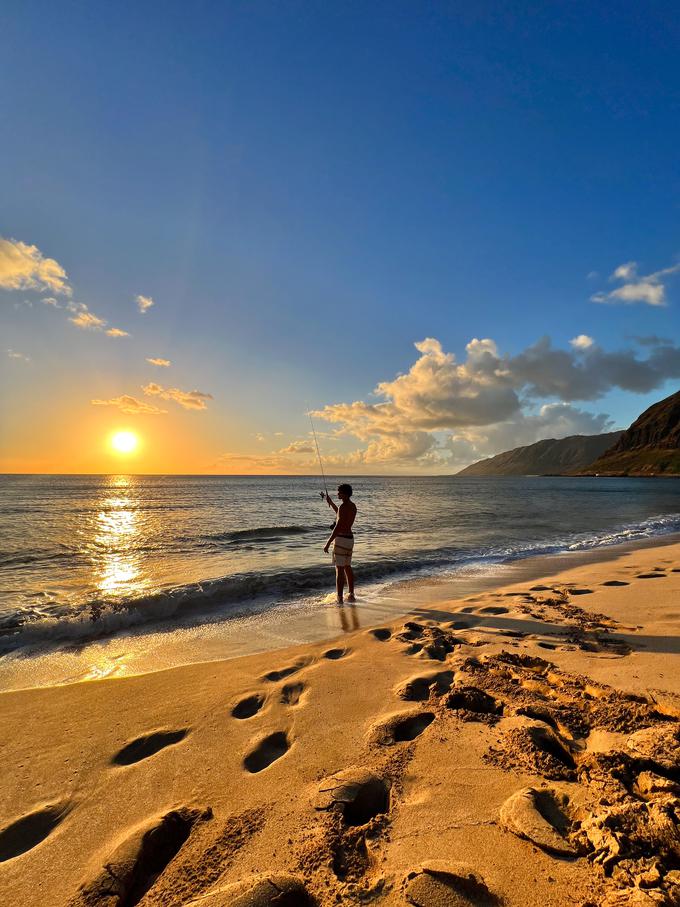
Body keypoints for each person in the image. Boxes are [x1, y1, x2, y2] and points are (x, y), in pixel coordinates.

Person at [323, 483, 357, 603]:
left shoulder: (343, 507)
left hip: (341, 540)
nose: (338, 494)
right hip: (350, 540)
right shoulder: (353, 506)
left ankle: (339, 598)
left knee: (339, 570)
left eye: (339, 492)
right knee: (348, 567)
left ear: (345, 494)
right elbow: (340, 515)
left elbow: (338, 526)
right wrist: (331, 503)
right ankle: (351, 594)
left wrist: (328, 542)